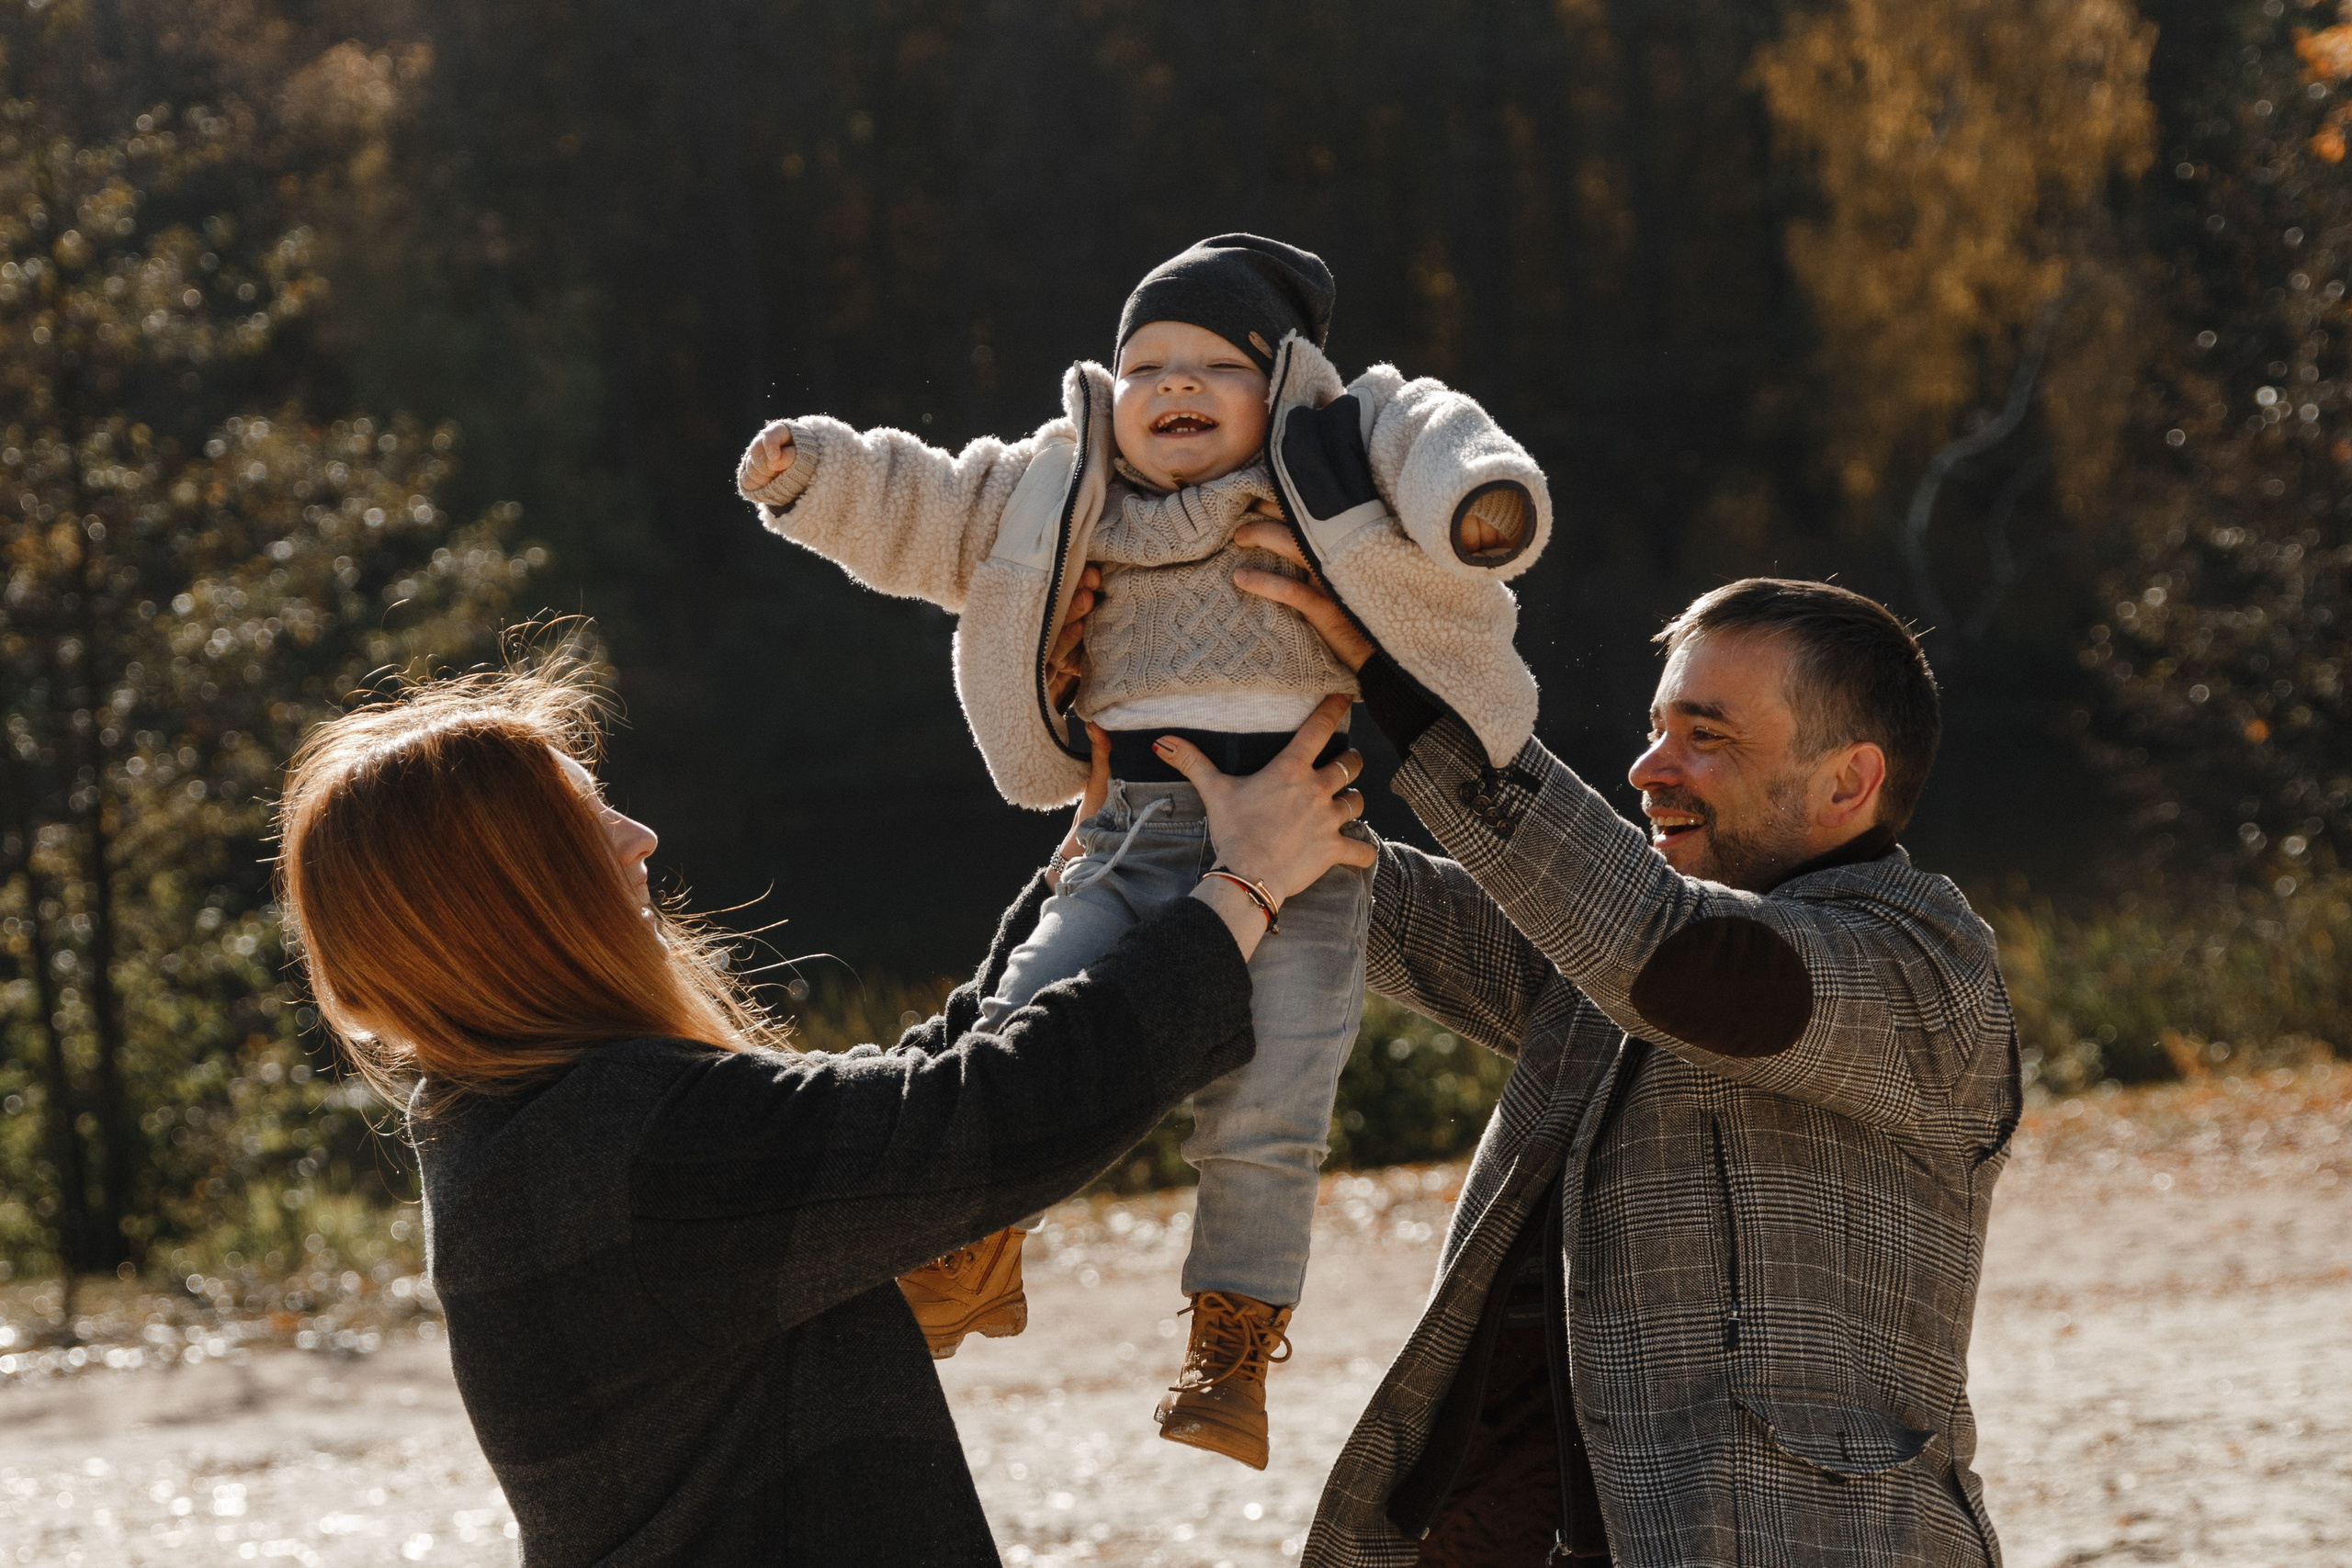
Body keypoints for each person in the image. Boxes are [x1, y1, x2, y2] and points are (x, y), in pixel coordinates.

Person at [732, 233, 1555, 1468]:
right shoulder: (1066, 489)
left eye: (1215, 366)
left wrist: (1478, 500)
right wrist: (816, 471)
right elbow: (931, 506)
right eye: (1147, 365)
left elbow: (1435, 430)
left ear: (1282, 383)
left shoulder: (1329, 455)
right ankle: (977, 1237)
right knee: (1023, 1012)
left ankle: (1232, 1343)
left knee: (1275, 1100)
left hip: (1305, 843)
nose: (1174, 384)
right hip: (1127, 830)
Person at [271, 659, 1373, 1567]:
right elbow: (985, 1116)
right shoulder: (617, 1144)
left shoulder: (511, 1118)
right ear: (506, 899)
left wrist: (1094, 872)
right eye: (583, 822)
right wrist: (1244, 888)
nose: (637, 835)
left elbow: (891, 1110)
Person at [1212, 549, 2020, 1566]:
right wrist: (1198, 770)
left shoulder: (1921, 970)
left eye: (1705, 735)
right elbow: (1364, 897)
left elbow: (1665, 954)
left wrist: (1407, 673)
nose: (1648, 768)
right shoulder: (1617, 953)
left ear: (1848, 781)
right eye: (1656, 728)